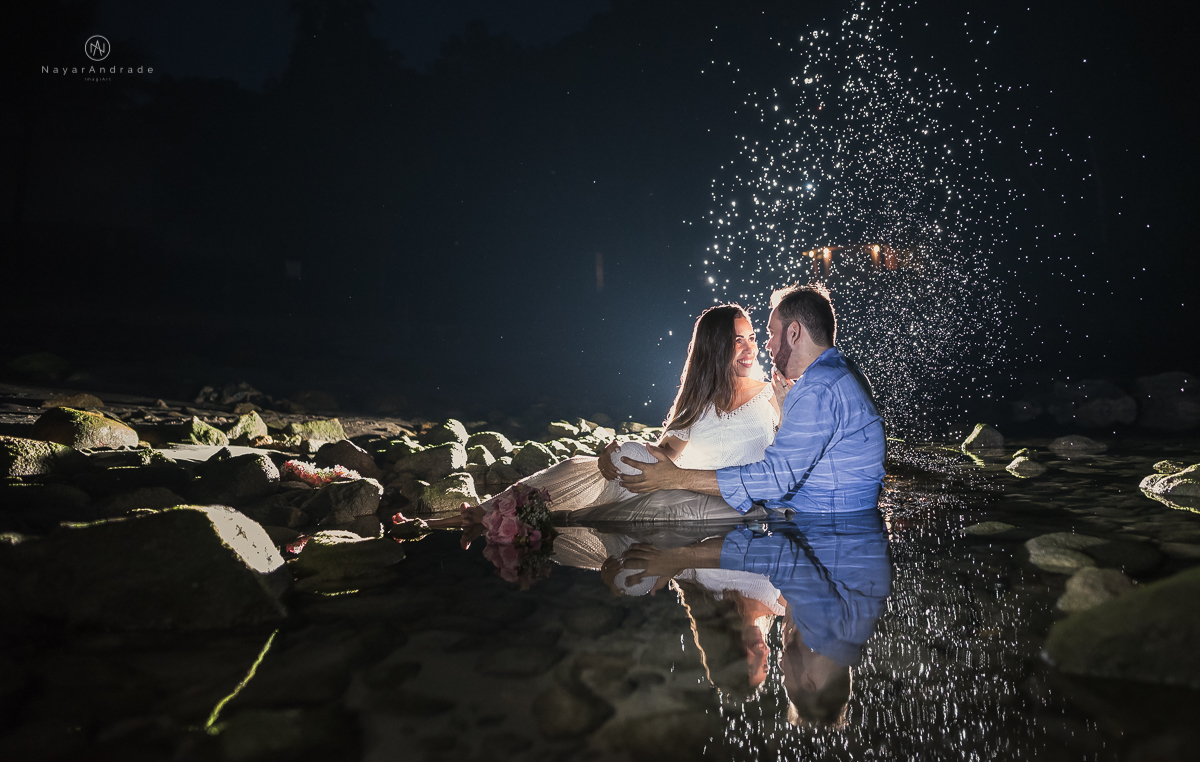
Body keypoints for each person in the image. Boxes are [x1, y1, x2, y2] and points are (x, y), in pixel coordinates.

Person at [460, 303, 781, 524]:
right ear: (715, 347)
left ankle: (526, 518)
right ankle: (481, 513)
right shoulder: (697, 400)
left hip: (734, 505)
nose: (750, 348)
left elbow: (796, 460)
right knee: (579, 466)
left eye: (751, 338)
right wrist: (615, 452)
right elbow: (663, 455)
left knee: (614, 512)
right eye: (737, 340)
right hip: (688, 490)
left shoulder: (772, 394)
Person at [617, 283, 886, 516]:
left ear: (793, 333)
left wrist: (678, 478)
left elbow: (773, 478)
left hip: (820, 532)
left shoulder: (817, 389)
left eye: (768, 334)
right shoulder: (841, 372)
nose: (765, 346)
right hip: (816, 521)